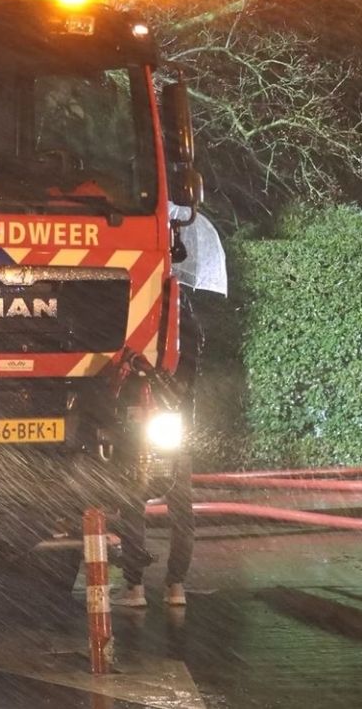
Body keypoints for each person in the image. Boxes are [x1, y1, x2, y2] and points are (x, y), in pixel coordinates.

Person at [114, 207, 223, 607]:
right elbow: (188, 372)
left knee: (133, 499)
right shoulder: (190, 317)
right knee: (180, 504)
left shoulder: (145, 304)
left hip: (142, 417)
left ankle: (135, 586)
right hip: (179, 422)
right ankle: (175, 585)